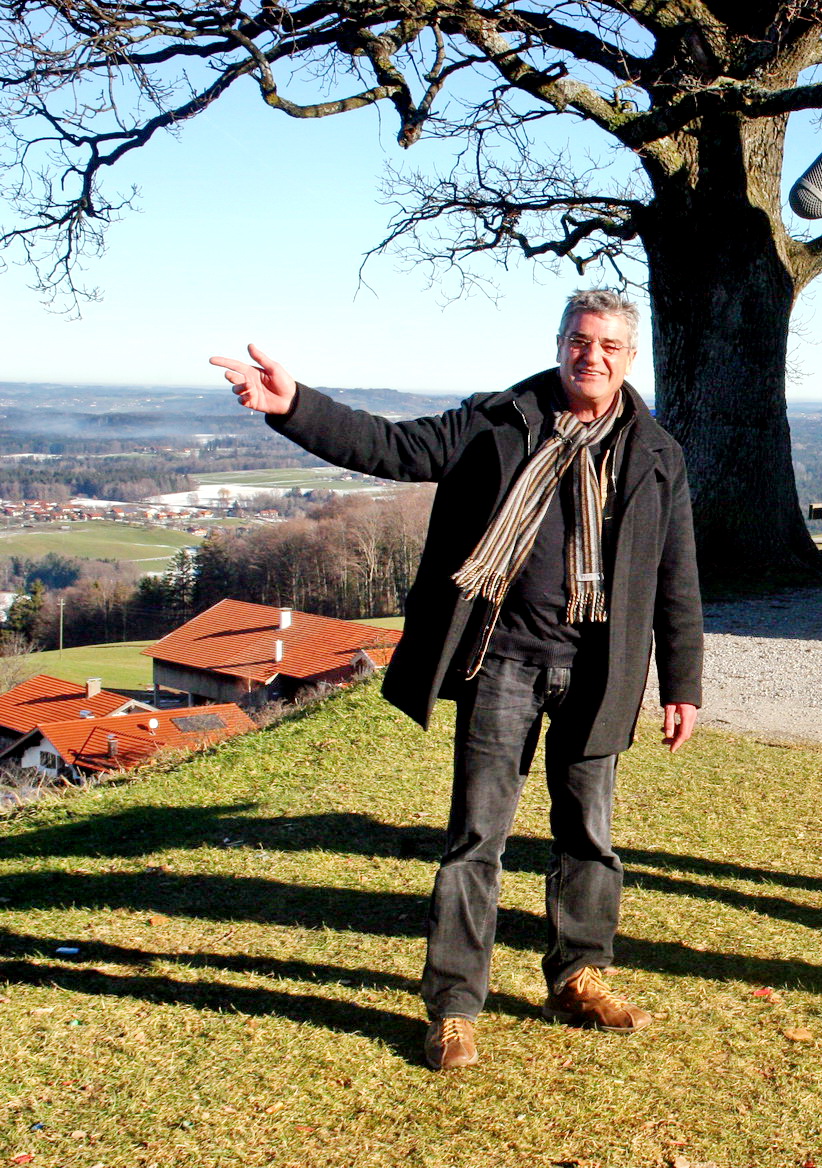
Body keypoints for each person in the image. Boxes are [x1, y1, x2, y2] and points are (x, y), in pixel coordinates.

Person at [212, 289, 703, 1072]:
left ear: (629, 357)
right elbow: (388, 446)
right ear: (560, 343)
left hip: (598, 669)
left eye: (609, 345)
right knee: (477, 839)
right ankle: (455, 1008)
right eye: (580, 340)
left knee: (590, 837)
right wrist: (292, 405)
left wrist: (682, 681)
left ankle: (579, 974)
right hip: (500, 659)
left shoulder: (655, 453)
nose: (592, 356)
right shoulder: (496, 422)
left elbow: (676, 576)